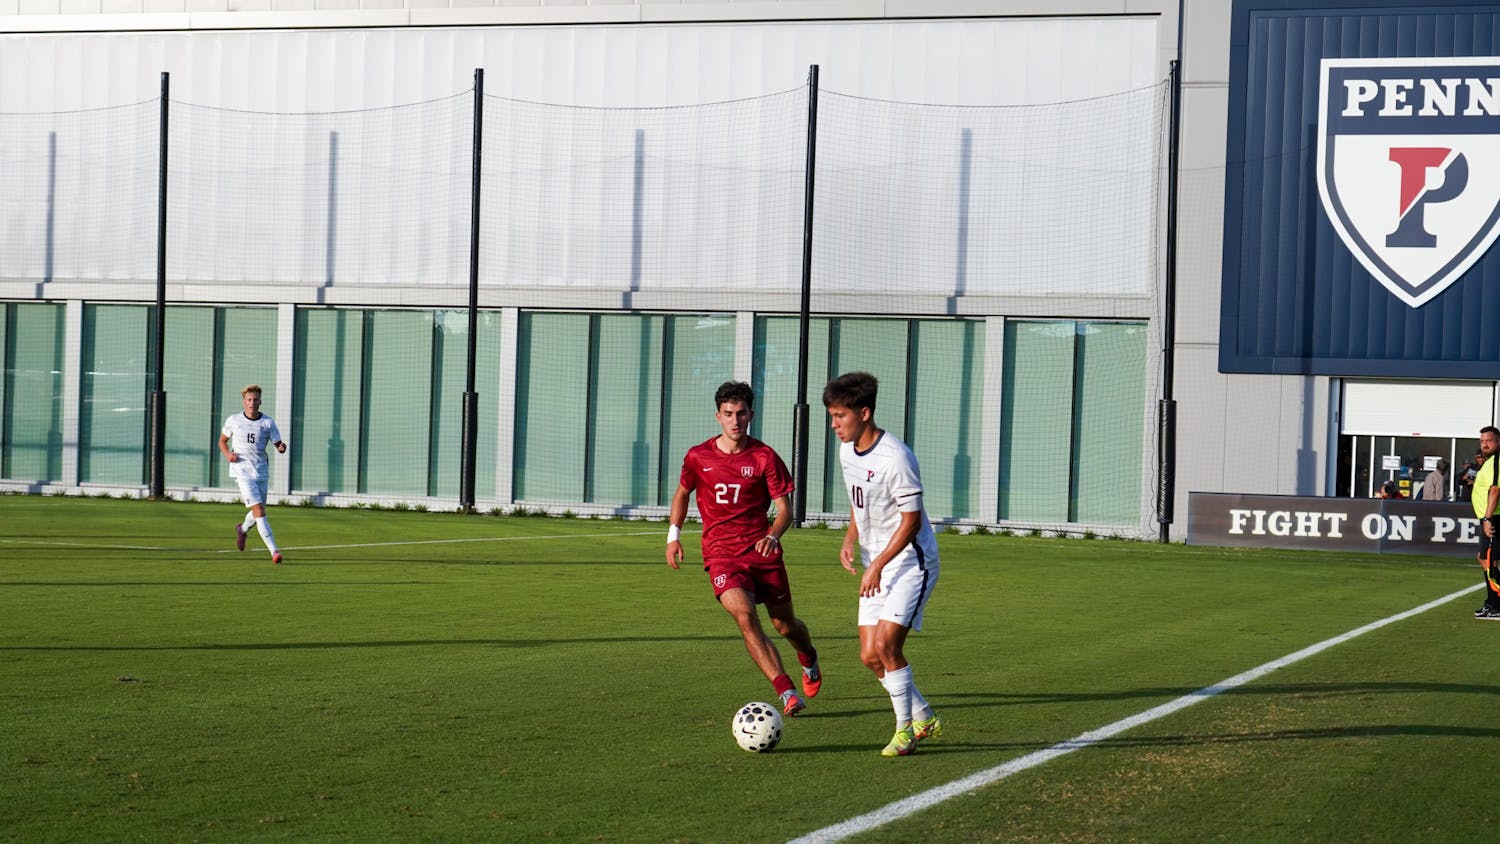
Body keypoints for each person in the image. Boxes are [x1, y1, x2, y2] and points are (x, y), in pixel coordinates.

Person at [666, 381, 822, 716]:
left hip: (763, 554)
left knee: (785, 624)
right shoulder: (698, 456)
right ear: (717, 416)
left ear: (751, 414)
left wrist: (774, 535)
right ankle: (787, 692)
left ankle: (808, 656)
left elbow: (785, 510)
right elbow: (682, 493)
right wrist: (673, 535)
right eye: (727, 414)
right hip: (722, 555)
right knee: (745, 616)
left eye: (740, 413)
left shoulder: (765, 457)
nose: (734, 420)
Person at [823, 371, 942, 757]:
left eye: (840, 416)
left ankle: (904, 732)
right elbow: (861, 504)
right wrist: (849, 538)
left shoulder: (898, 458)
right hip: (876, 560)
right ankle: (924, 715)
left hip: (910, 562)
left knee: (888, 645)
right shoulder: (846, 451)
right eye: (831, 415)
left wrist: (878, 566)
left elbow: (910, 522)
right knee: (869, 655)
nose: (834, 424)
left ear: (865, 413)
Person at [218, 384, 287, 564]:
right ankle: (274, 551)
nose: (252, 403)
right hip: (241, 471)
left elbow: (278, 443)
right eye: (249, 400)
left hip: (261, 471)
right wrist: (228, 455)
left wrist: (281, 447)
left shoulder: (268, 423)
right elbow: (222, 441)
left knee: (259, 511)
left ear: (260, 401)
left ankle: (242, 529)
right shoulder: (233, 420)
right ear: (244, 401)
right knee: (258, 510)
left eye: (255, 400)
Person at [1472, 427, 1500, 620]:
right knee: (1484, 559)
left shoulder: (1497, 461)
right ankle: (1492, 602)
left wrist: (1487, 518)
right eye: (1482, 441)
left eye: (1489, 440)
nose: (1484, 444)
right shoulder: (1489, 462)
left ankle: (1496, 604)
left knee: (1489, 560)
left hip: (1494, 518)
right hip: (1488, 517)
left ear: (1497, 441)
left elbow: (1495, 490)